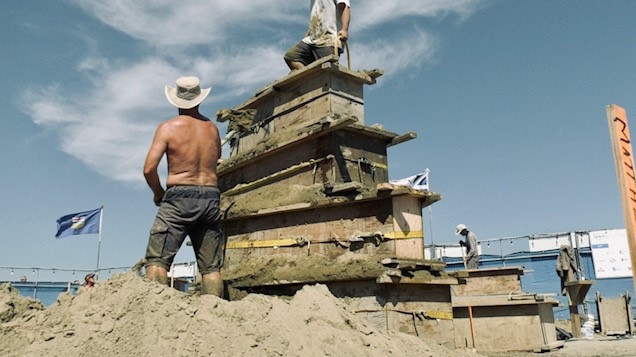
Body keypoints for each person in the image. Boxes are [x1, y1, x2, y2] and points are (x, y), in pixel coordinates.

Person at [143, 76, 224, 297]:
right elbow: (217, 160)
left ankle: (155, 313)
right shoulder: (212, 129)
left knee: (158, 261)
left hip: (179, 196)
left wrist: (158, 194)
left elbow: (149, 168)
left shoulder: (168, 128)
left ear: (176, 101)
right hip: (210, 197)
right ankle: (214, 314)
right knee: (211, 269)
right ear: (199, 99)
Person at [284, 0, 351, 71]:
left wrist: (344, 30)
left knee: (327, 69)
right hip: (312, 39)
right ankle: (308, 77)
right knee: (291, 56)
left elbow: (345, 7)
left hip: (329, 40)